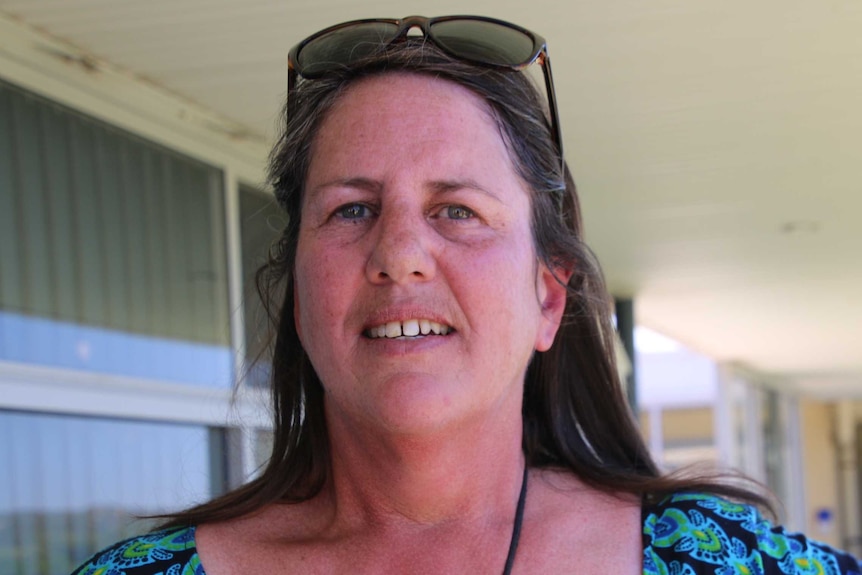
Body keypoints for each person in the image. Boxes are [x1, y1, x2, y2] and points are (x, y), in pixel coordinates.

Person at [72, 15, 860, 574]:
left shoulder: (724, 560)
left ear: (549, 298)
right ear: (299, 295)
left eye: (457, 210)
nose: (399, 254)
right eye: (351, 208)